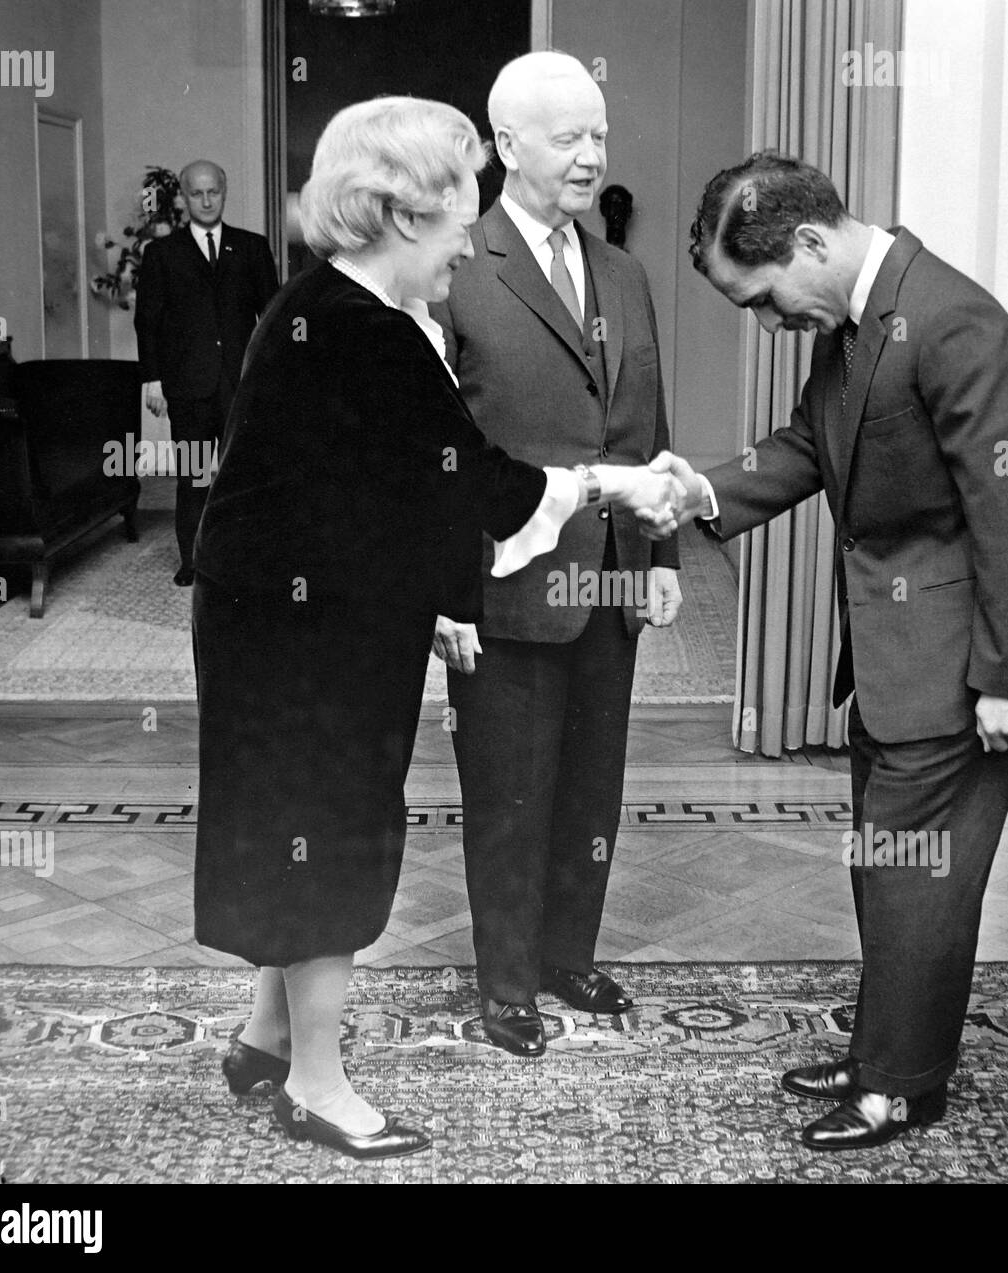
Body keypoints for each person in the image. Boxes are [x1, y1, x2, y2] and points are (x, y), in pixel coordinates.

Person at [190, 96, 681, 1160]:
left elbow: (380, 494)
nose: (471, 234)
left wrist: (436, 605)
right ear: (403, 214)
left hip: (289, 613)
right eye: (460, 213)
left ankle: (267, 1037)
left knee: (293, 820)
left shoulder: (323, 308)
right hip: (303, 636)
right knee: (327, 827)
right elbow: (481, 490)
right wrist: (613, 485)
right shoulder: (367, 331)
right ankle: (318, 1084)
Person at [645, 151, 1008, 1150]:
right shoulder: (851, 325)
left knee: (917, 876)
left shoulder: (956, 323)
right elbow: (805, 444)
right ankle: (888, 1052)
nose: (766, 322)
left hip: (961, 664)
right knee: (887, 866)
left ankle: (894, 1088)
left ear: (808, 243)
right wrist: (704, 492)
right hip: (895, 655)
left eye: (763, 300)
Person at [429, 51, 682, 1058]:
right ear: (506, 147)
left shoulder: (621, 270)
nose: (592, 156)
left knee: (591, 785)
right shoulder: (458, 268)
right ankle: (505, 983)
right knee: (510, 789)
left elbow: (643, 421)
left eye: (601, 135)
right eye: (570, 137)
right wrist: (444, 594)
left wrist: (660, 555)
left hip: (611, 577)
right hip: (506, 585)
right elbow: (436, 454)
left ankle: (567, 953)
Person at [134, 159, 279, 586]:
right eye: (195, 193)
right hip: (188, 385)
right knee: (195, 477)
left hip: (239, 385)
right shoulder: (162, 253)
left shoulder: (251, 248)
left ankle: (243, 557)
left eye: (212, 191)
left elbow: (270, 315)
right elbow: (148, 321)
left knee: (241, 476)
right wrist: (153, 379)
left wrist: (268, 377)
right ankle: (193, 562)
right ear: (183, 196)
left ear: (224, 191)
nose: (205, 199)